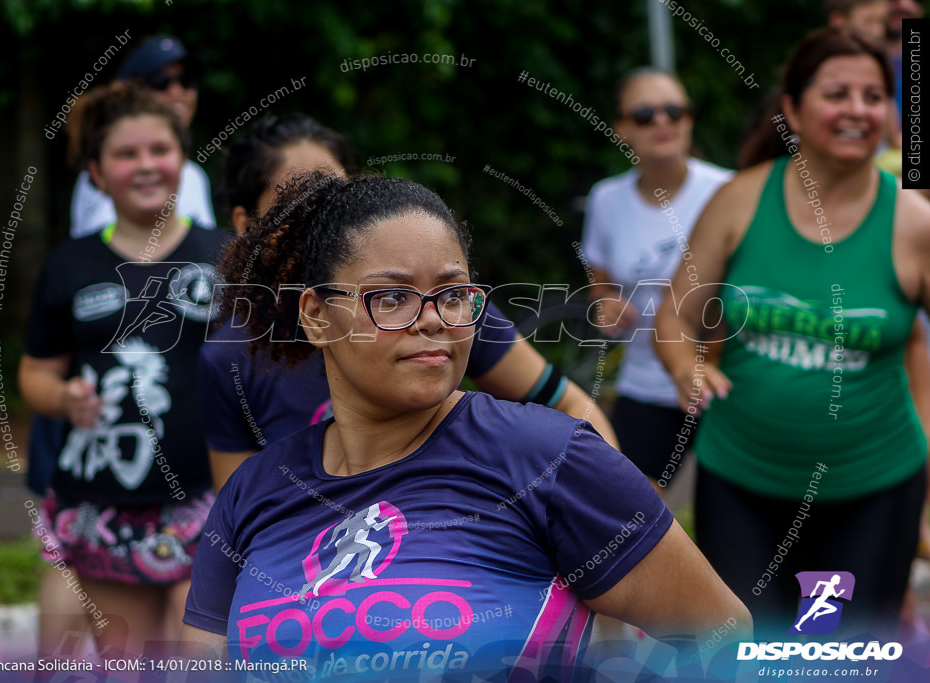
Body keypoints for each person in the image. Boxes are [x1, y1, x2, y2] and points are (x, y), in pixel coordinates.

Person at [181, 169, 750, 678]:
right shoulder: (251, 496)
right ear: (315, 316)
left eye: (453, 295)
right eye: (392, 297)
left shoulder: (550, 457)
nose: (432, 321)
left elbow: (721, 632)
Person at [655, 26, 930, 638]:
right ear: (793, 110)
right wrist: (686, 367)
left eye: (872, 95)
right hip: (743, 484)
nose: (857, 110)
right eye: (838, 94)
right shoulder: (739, 201)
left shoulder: (914, 222)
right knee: (747, 649)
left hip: (873, 493)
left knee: (838, 656)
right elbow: (675, 315)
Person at [201, 113, 618, 490]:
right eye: (296, 200)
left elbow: (568, 403)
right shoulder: (233, 354)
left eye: (334, 192)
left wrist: (608, 514)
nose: (426, 321)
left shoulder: (448, 309)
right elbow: (242, 515)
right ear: (246, 224)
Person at [18, 81, 227, 657]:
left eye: (159, 150)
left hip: (207, 499)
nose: (145, 165)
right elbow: (35, 372)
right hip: (104, 501)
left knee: (205, 656)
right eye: (125, 153)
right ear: (95, 171)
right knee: (129, 665)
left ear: (182, 162)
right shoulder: (69, 263)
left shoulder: (228, 255)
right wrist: (62, 399)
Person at [580, 68, 731, 493]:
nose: (663, 122)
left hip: (725, 381)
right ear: (622, 129)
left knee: (735, 524)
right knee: (632, 513)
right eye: (646, 114)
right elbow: (601, 285)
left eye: (675, 111)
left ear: (690, 120)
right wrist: (606, 304)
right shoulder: (607, 199)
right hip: (646, 383)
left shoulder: (728, 190)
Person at [69, 35, 216, 237]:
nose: (177, 91)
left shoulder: (195, 176)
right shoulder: (111, 175)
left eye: (186, 81)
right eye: (160, 82)